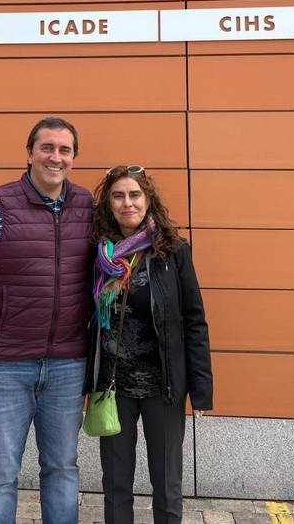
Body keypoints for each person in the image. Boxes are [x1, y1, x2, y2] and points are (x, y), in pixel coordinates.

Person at [0, 117, 93, 524]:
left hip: (69, 364)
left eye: (65, 150)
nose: (55, 157)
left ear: (74, 157)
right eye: (46, 147)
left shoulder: (88, 207)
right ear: (29, 153)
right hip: (4, 366)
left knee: (62, 468)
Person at [85, 165, 213, 524]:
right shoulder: (98, 255)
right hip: (113, 387)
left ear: (148, 200)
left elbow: (194, 321)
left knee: (167, 484)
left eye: (134, 195)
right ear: (108, 204)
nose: (127, 203)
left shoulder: (173, 252)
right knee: (116, 484)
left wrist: (201, 389)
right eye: (118, 196)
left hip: (163, 387)